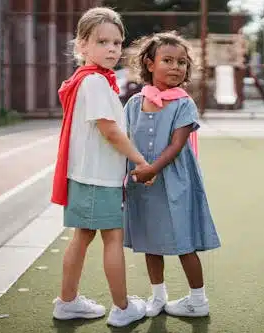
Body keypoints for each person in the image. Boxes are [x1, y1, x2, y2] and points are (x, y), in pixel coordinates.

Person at [50, 7, 147, 327]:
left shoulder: (91, 81)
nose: (112, 49)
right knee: (112, 239)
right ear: (82, 45)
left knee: (83, 236)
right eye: (102, 41)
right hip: (97, 178)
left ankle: (68, 302)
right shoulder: (93, 82)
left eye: (117, 43)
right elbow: (111, 131)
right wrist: (140, 161)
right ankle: (122, 308)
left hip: (87, 176)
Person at [123, 31, 221, 318]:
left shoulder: (183, 103)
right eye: (168, 60)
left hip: (176, 181)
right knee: (150, 241)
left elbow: (177, 145)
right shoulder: (132, 104)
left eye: (182, 62)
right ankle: (157, 296)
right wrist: (134, 174)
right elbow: (126, 143)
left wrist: (153, 168)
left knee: (184, 241)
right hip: (143, 183)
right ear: (149, 63)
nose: (177, 67)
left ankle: (198, 300)